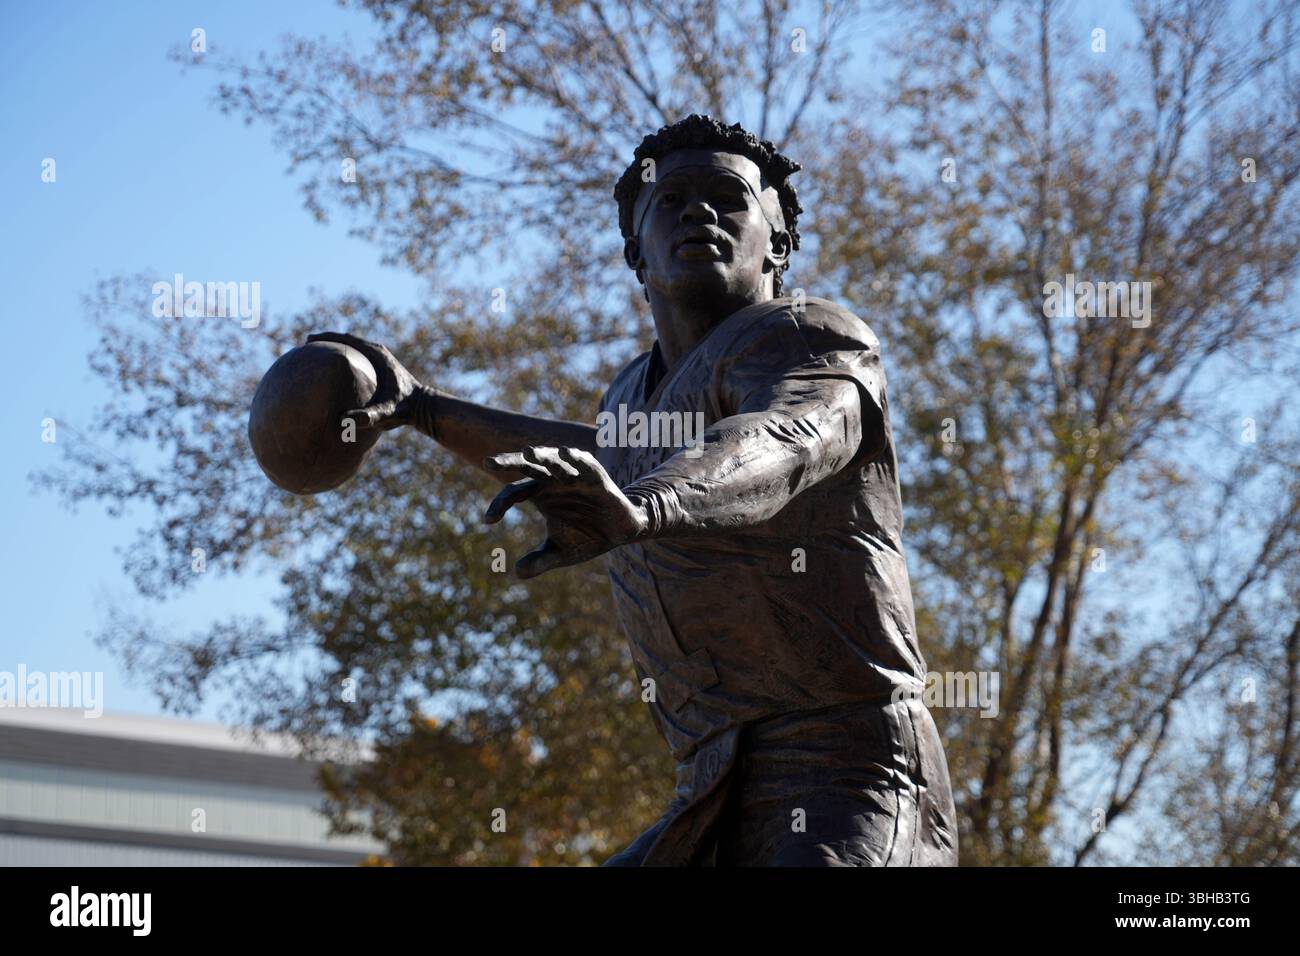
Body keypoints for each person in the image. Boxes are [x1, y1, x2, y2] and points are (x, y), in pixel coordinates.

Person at [309, 114, 958, 866]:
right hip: (713, 786)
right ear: (634, 251)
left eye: (729, 198)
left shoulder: (808, 339)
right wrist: (423, 409)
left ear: (777, 245)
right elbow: (598, 464)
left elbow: (782, 441)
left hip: (852, 774)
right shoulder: (630, 400)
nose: (700, 212)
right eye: (672, 200)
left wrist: (648, 507)